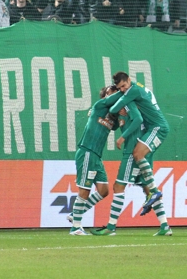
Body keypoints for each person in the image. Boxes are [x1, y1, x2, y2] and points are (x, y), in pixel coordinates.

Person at [90, 101, 172, 236]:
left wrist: (123, 137)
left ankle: (111, 227)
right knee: (148, 189)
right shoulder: (119, 112)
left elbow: (138, 118)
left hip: (132, 151)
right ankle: (165, 226)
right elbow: (112, 124)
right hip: (141, 153)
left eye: (111, 93)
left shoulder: (129, 105)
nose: (109, 97)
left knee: (118, 187)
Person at [107, 71, 169, 215]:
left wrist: (116, 104)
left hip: (157, 128)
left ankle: (154, 191)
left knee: (137, 153)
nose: (122, 90)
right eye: (120, 88)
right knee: (138, 155)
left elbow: (114, 108)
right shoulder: (136, 87)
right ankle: (164, 225)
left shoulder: (133, 90)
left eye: (124, 86)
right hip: (152, 128)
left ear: (129, 80)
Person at [69, 85, 121, 235]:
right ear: (105, 95)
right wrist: (127, 92)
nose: (115, 93)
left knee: (104, 191)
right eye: (111, 91)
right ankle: (76, 227)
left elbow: (117, 123)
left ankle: (75, 215)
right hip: (87, 151)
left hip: (96, 156)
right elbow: (114, 100)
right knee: (84, 189)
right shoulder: (98, 106)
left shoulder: (112, 116)